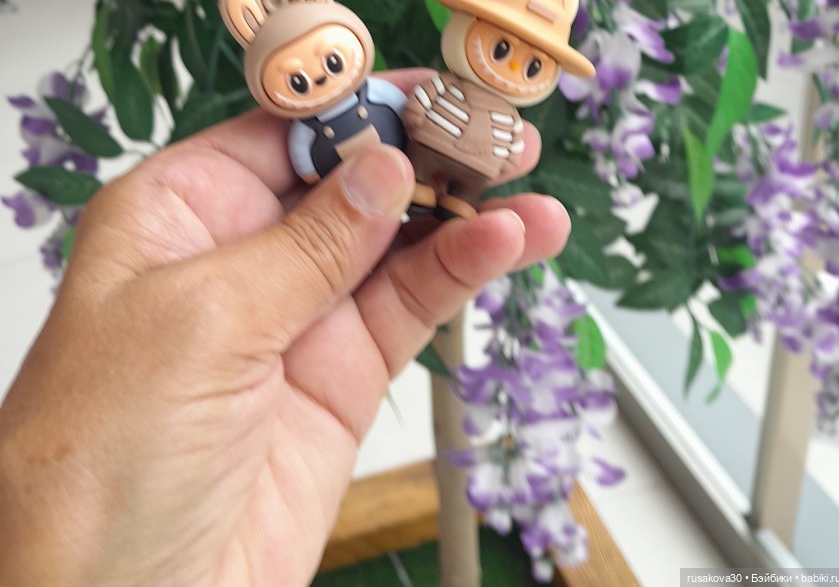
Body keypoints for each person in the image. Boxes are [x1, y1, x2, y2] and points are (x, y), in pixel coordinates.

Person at [0, 69, 571, 587]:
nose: (318, 73)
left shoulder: (394, 103)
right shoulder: (316, 141)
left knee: (492, 226)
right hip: (392, 182)